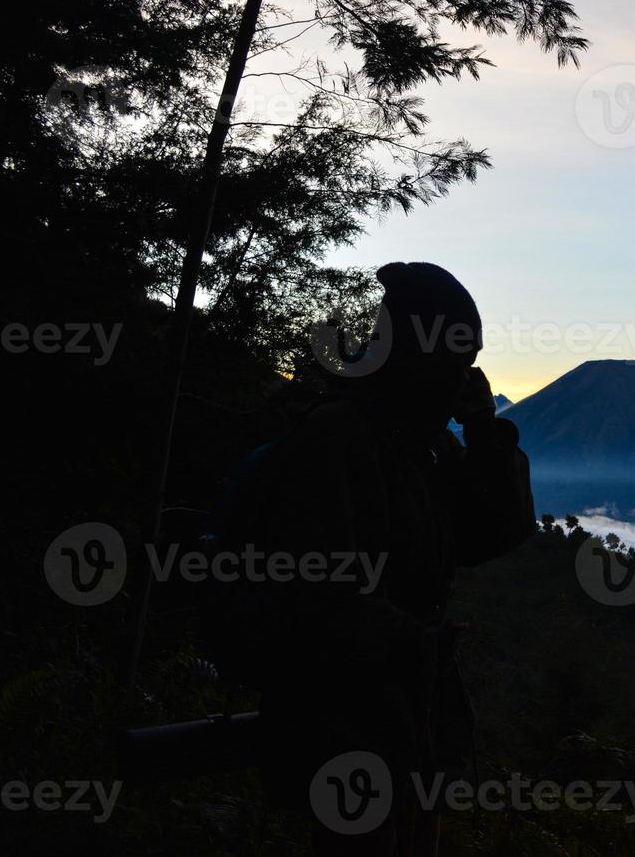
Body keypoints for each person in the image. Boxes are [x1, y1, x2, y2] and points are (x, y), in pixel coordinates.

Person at [213, 262, 535, 856]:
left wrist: (485, 430)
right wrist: (412, 643)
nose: (465, 372)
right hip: (347, 711)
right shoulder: (338, 440)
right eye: (457, 355)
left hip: (407, 708)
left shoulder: (425, 445)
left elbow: (497, 531)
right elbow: (313, 591)